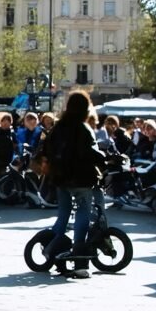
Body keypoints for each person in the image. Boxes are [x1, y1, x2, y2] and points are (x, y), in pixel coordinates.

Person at [42, 91, 106, 278]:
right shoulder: (84, 129)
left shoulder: (58, 127)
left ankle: (52, 248)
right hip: (81, 179)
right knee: (83, 212)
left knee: (63, 213)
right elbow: (91, 152)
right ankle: (79, 255)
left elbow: (47, 148)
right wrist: (105, 159)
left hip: (61, 178)